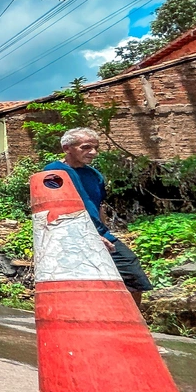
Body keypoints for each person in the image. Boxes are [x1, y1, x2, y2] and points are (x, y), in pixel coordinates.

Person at [44, 127, 152, 308]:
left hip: (100, 234)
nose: (93, 152)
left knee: (131, 273)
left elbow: (98, 205)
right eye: (86, 147)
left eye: (95, 148)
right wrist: (90, 237)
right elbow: (55, 210)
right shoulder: (53, 173)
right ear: (67, 148)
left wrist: (102, 231)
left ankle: (132, 320)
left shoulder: (95, 175)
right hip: (70, 236)